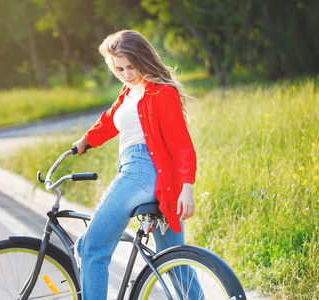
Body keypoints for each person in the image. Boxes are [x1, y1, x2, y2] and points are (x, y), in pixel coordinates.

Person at [73, 29, 197, 300]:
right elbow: (110, 118)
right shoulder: (130, 91)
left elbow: (181, 144)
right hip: (154, 180)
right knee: (175, 261)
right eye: (119, 69)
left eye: (132, 67)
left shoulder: (160, 93)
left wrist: (187, 187)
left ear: (143, 59)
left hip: (140, 172)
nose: (127, 74)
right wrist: (86, 140)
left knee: (91, 248)